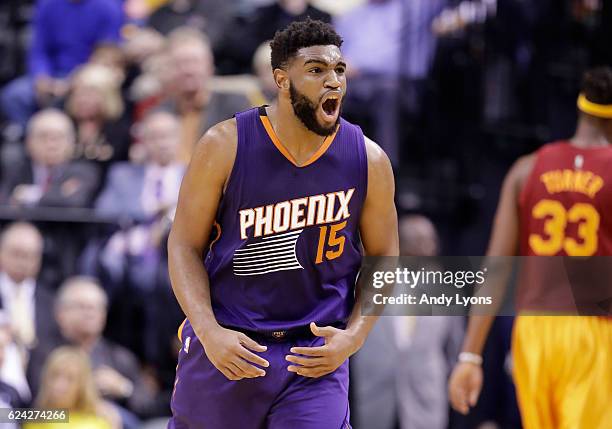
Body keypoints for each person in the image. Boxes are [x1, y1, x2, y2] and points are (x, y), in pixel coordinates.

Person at [167, 18, 398, 428]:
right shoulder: (225, 145)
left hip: (313, 357)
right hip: (230, 345)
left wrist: (354, 337)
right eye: (316, 70)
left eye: (339, 70)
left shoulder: (369, 160)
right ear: (281, 80)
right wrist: (208, 331)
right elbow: (184, 245)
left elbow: (384, 257)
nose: (334, 82)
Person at [448, 67, 612, 428]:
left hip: (533, 332)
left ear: (580, 108)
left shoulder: (527, 167)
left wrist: (471, 357)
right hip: (594, 330)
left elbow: (496, 268)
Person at [352, 215, 462, 429]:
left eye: (430, 240)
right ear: (401, 243)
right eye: (417, 240)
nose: (426, 247)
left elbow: (455, 347)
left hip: (425, 399)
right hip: (374, 396)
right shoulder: (371, 283)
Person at [0, 0, 123, 130]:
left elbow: (106, 55)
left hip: (86, 75)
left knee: (84, 96)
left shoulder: (108, 7)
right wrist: (42, 77)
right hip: (52, 74)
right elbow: (39, 50)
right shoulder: (47, 5)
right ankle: (33, 139)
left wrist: (73, 80)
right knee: (14, 96)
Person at [0, 109, 100, 208]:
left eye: (59, 137)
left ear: (72, 143)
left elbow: (74, 201)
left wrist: (31, 195)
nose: (51, 145)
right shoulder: (15, 169)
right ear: (28, 142)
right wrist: (59, 193)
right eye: (43, 137)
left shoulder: (85, 171)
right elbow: (4, 203)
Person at [25, 346, 120, 429]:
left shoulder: (98, 422)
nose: (59, 385)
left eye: (70, 379)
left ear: (82, 385)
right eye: (54, 375)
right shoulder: (32, 419)